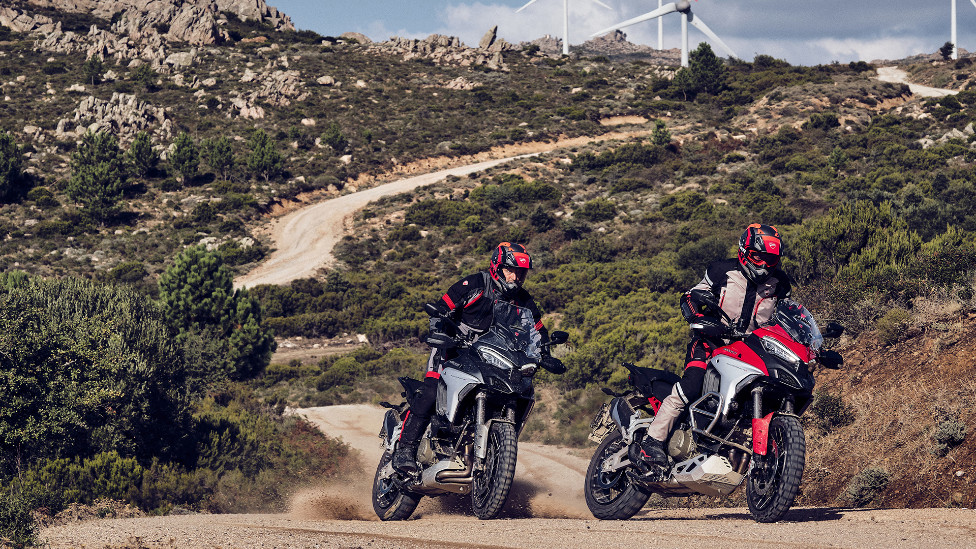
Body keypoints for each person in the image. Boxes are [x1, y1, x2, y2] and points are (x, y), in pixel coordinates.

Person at [392, 242, 565, 474]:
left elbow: (537, 330)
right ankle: (405, 449)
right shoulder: (474, 284)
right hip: (453, 350)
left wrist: (544, 352)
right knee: (431, 392)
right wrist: (439, 330)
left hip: (490, 357)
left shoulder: (523, 300)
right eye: (510, 270)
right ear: (497, 266)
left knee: (512, 394)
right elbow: (442, 308)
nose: (515, 277)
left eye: (521, 272)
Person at [636, 223, 793, 475]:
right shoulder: (721, 270)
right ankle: (652, 442)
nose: (764, 265)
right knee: (692, 384)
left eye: (771, 259)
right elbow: (691, 296)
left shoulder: (780, 283)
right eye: (758, 257)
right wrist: (697, 317)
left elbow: (786, 317)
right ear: (744, 251)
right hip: (711, 343)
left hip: (750, 351)